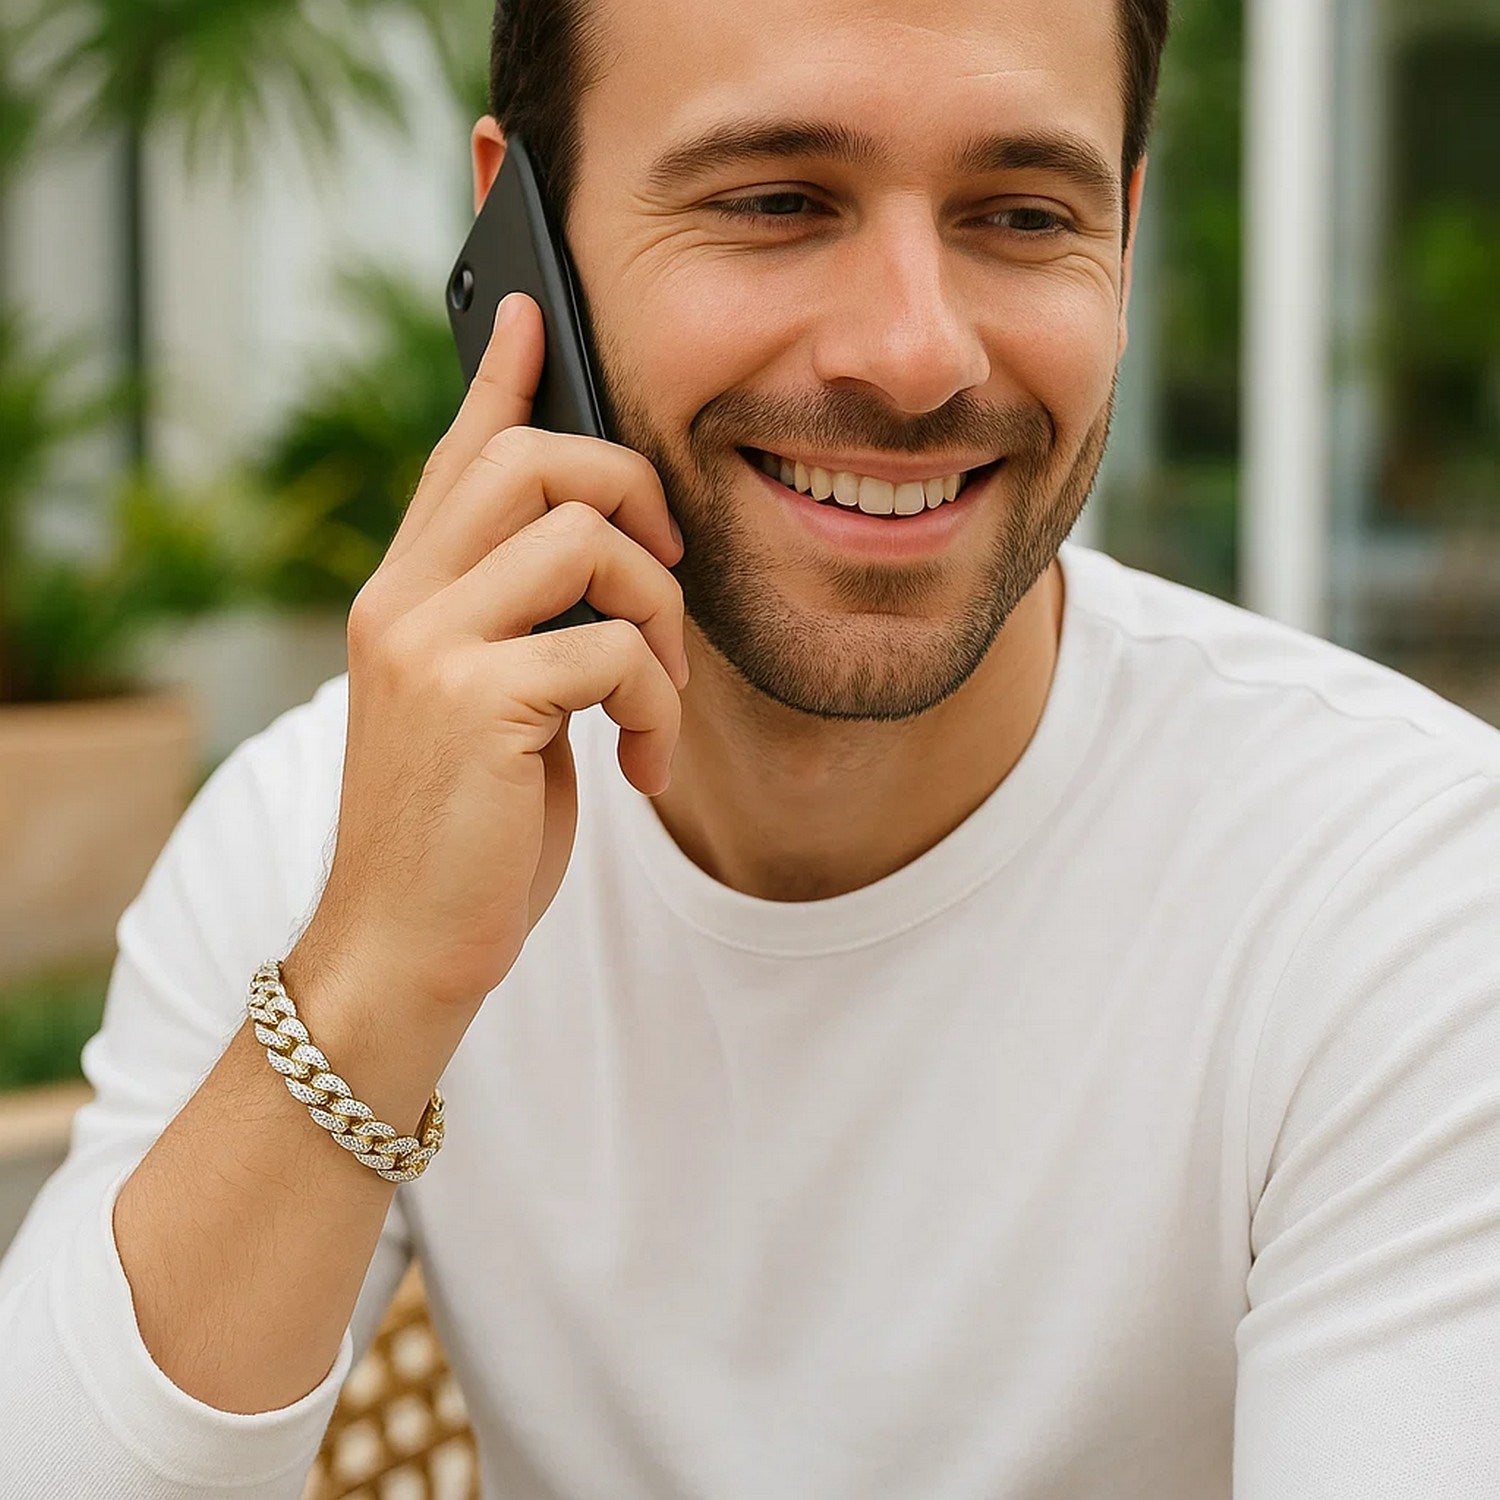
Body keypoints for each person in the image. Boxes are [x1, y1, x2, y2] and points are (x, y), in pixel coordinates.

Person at [3, 0, 1498, 1493]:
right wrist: (378, 975)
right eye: (775, 201)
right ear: (519, 232)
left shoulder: (1406, 895)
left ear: (1128, 228)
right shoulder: (339, 829)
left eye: (1024, 214)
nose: (914, 354)